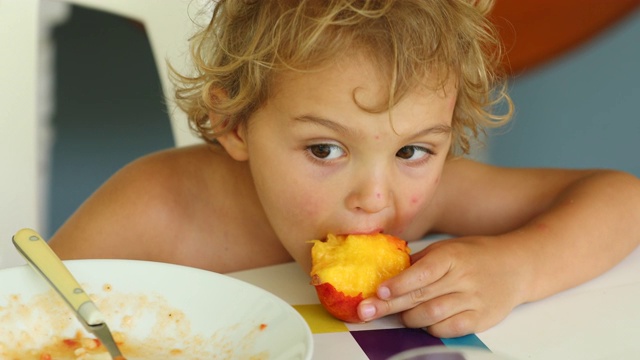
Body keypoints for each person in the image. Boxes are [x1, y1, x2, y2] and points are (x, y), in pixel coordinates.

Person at [48, 0, 640, 338]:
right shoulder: (156, 211)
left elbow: (623, 199)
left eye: (413, 151)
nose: (376, 197)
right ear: (234, 123)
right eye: (325, 150)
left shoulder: (425, 198)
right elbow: (34, 324)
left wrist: (518, 268)